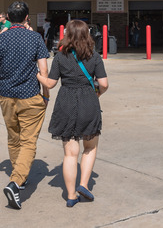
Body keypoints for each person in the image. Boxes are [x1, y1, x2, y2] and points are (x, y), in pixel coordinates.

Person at [0, 1, 50, 210]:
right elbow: (44, 70)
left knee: (14, 138)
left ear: (9, 18)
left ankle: (19, 176)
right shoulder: (35, 38)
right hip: (30, 96)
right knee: (28, 141)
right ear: (27, 18)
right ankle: (15, 182)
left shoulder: (0, 39)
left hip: (6, 95)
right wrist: (46, 95)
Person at [37, 19, 109, 207]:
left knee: (70, 154)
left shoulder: (60, 57)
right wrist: (97, 95)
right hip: (88, 101)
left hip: (66, 102)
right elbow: (104, 84)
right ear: (87, 35)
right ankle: (83, 184)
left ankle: (70, 196)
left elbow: (51, 84)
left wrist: (37, 75)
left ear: (67, 35)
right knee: (90, 147)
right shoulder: (94, 56)